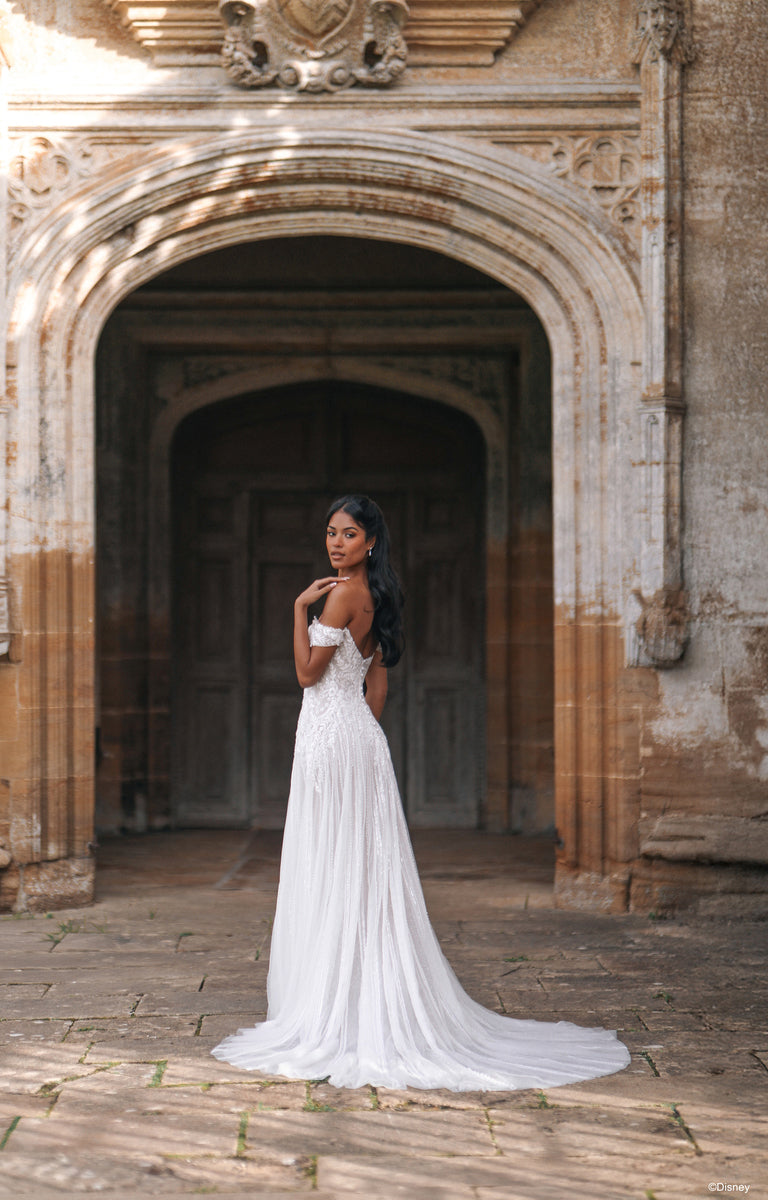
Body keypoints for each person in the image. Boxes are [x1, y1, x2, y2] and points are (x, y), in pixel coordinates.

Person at [211, 494, 630, 1090]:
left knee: (333, 865)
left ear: (371, 542)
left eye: (349, 534)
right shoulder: (378, 596)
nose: (336, 543)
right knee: (359, 870)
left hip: (330, 744)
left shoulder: (338, 594)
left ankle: (338, 1008)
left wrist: (296, 609)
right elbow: (376, 684)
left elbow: (306, 674)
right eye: (330, 532)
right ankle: (361, 998)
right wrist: (359, 736)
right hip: (358, 741)